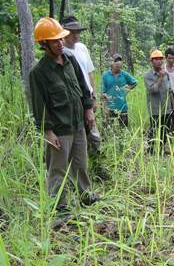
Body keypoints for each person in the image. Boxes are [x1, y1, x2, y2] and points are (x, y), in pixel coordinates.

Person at [29, 17, 99, 215]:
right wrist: (48, 131)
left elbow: (84, 88)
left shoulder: (70, 60)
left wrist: (88, 110)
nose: (60, 43)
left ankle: (86, 196)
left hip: (78, 124)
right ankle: (60, 208)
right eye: (55, 41)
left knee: (81, 164)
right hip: (59, 130)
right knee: (58, 169)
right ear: (44, 44)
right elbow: (39, 106)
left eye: (61, 39)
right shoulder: (39, 72)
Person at [61, 15, 107, 179]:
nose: (76, 36)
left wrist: (93, 96)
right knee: (74, 138)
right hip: (72, 102)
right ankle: (73, 174)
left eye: (77, 32)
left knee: (93, 136)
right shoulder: (60, 51)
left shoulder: (82, 48)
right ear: (63, 32)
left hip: (87, 98)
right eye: (72, 32)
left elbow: (89, 73)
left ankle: (96, 168)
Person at [144, 49, 174, 153]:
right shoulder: (148, 75)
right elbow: (152, 90)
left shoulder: (166, 74)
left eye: (160, 59)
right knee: (154, 129)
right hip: (155, 108)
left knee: (165, 129)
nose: (158, 61)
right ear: (152, 61)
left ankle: (161, 148)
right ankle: (151, 149)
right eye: (156, 59)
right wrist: (160, 77)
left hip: (166, 107)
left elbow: (170, 90)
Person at [101, 53, 137, 128]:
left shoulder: (124, 74)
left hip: (122, 107)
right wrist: (105, 107)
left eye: (119, 61)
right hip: (110, 107)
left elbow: (135, 82)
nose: (118, 63)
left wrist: (126, 90)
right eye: (115, 61)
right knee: (109, 129)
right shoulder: (105, 75)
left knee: (124, 129)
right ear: (112, 63)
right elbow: (103, 92)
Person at [164, 48, 174, 133]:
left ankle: (173, 135)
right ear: (166, 58)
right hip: (165, 96)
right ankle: (166, 135)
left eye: (173, 58)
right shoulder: (162, 70)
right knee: (166, 117)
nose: (171, 60)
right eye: (169, 58)